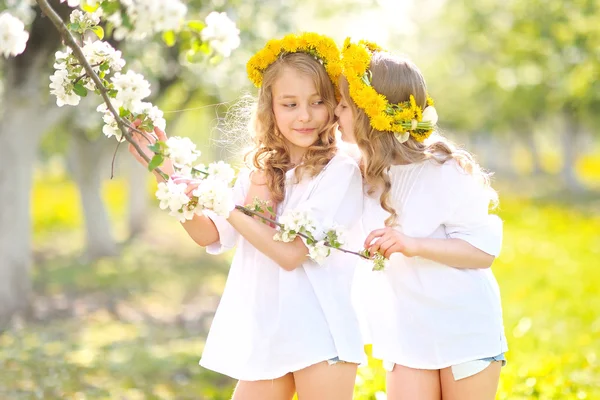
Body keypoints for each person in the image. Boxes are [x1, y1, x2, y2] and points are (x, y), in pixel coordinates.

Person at [128, 33, 365, 400]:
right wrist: (165, 171)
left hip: (321, 333)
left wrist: (225, 204)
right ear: (270, 108)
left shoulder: (340, 171)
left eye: (317, 102)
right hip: (269, 333)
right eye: (289, 104)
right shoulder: (260, 171)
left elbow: (290, 254)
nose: (304, 115)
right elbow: (209, 234)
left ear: (333, 105)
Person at [335, 39, 507, 400]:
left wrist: (412, 245)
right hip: (407, 330)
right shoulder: (360, 172)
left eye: (344, 105)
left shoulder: (442, 170)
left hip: (463, 327)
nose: (335, 112)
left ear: (371, 112)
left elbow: (482, 251)